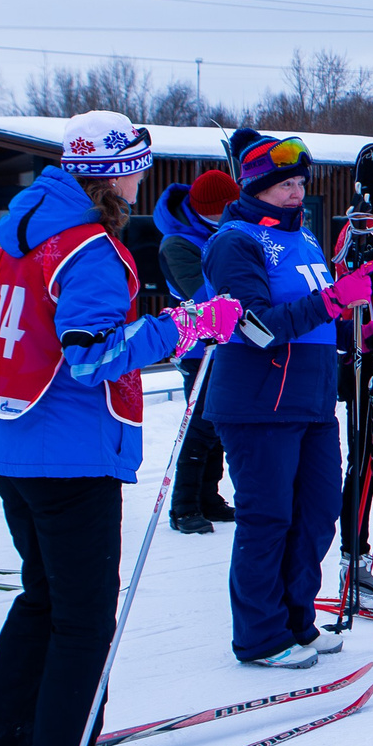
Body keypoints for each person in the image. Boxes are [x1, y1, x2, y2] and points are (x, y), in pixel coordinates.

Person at [0, 114, 239, 746]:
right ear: (112, 172)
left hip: (18, 447)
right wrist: (189, 324)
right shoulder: (90, 249)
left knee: (44, 599)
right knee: (83, 621)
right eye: (137, 168)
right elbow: (92, 357)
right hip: (71, 456)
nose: (142, 180)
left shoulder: (24, 229)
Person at [203, 130, 373, 666]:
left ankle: (297, 618)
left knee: (318, 513)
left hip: (313, 398)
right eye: (284, 185)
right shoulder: (236, 241)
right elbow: (254, 327)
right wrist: (331, 301)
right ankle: (260, 634)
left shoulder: (305, 241)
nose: (297, 193)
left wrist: (360, 333)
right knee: (269, 517)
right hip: (259, 402)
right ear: (257, 187)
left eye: (301, 182)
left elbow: (320, 319)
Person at [155, 167, 240, 533]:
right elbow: (204, 294)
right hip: (198, 345)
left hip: (229, 340)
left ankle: (208, 495)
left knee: (218, 422)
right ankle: (183, 504)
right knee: (201, 423)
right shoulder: (179, 243)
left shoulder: (222, 231)